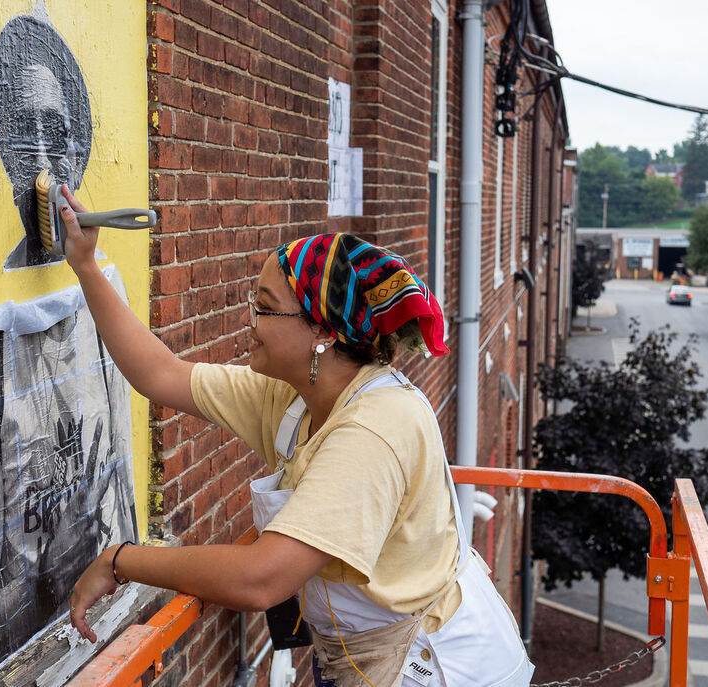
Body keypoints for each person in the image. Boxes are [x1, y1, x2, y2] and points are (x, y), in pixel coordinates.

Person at [59, 185, 534, 687]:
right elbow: (159, 375)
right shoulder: (295, 395)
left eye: (264, 307)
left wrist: (121, 561)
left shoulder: (375, 428)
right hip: (359, 654)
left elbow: (262, 578)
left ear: (324, 332)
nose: (251, 321)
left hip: (428, 666)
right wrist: (87, 266)